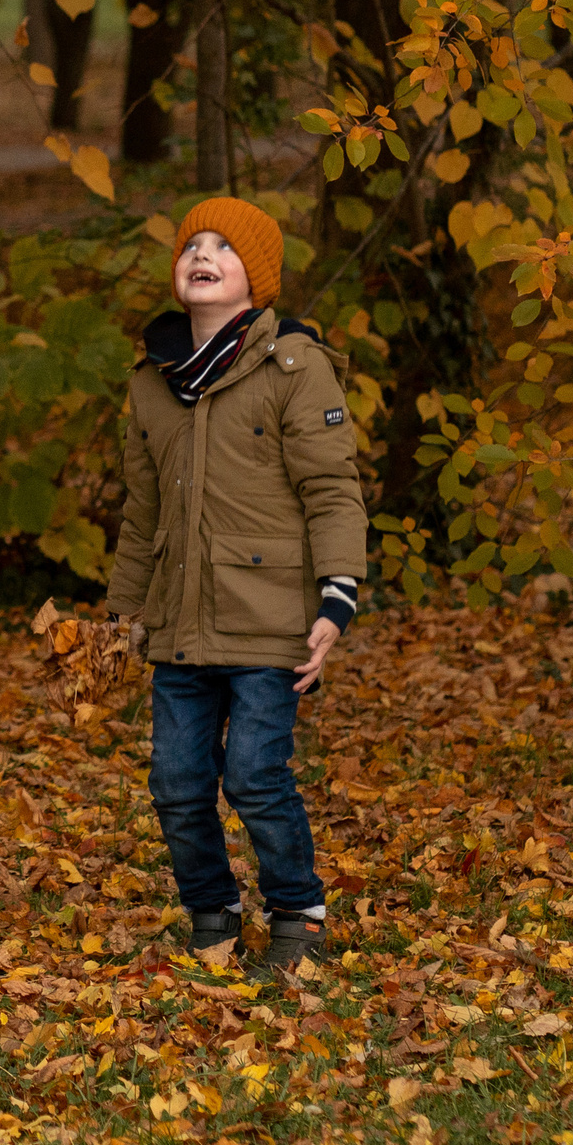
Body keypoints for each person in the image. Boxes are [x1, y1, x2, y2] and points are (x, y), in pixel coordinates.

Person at [107, 196, 367, 976]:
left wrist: (337, 596)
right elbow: (142, 511)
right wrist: (125, 611)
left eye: (224, 247)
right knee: (177, 783)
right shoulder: (154, 382)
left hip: (269, 620)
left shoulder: (292, 366)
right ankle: (211, 913)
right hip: (180, 622)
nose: (203, 255)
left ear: (256, 275)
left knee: (255, 775)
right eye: (193, 244)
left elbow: (332, 490)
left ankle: (298, 913)